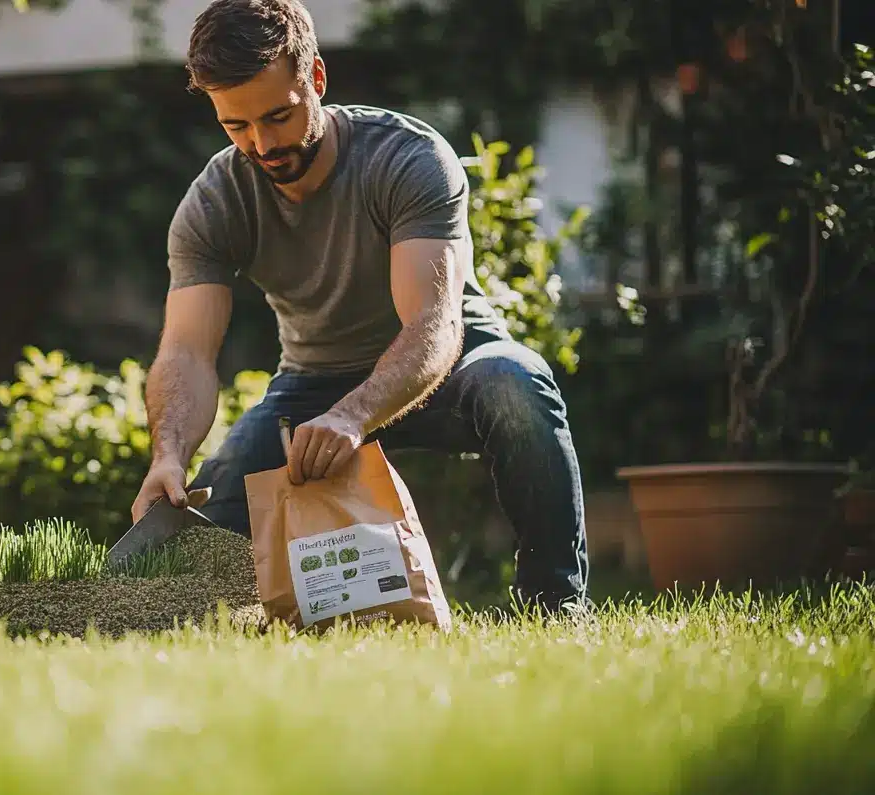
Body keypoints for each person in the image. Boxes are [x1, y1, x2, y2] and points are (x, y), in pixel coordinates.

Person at [129, 0, 589, 613]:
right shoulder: (216, 200)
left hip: (453, 365)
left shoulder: (407, 158)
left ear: (315, 79)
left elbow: (433, 323)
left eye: (278, 116)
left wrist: (353, 415)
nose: (262, 144)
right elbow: (186, 348)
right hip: (313, 384)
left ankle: (556, 603)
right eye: (236, 126)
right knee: (217, 497)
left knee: (516, 381)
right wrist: (168, 456)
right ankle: (209, 620)